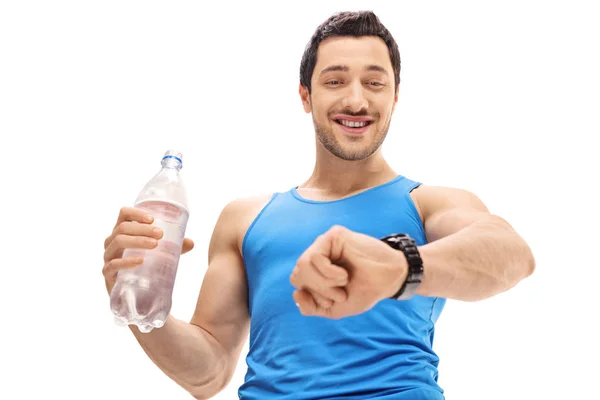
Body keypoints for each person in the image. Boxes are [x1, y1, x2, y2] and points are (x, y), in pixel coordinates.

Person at [102, 10, 535, 400]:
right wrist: (140, 303)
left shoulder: (428, 203)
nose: (356, 100)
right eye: (334, 81)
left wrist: (400, 266)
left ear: (395, 96)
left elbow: (510, 255)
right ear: (306, 96)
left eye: (374, 82)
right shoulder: (245, 218)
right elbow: (208, 374)